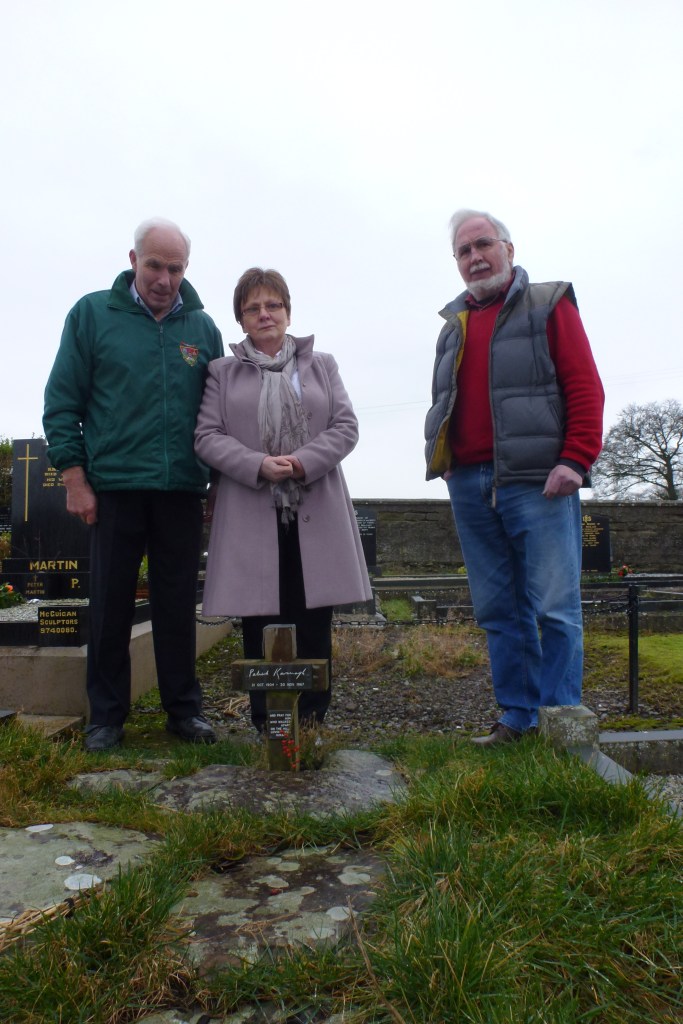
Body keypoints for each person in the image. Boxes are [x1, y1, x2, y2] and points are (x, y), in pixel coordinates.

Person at [43, 217, 224, 752]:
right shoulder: (92, 315)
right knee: (111, 605)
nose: (164, 279)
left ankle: (183, 712)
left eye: (175, 268)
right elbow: (62, 401)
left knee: (174, 604)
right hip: (115, 486)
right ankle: (106, 717)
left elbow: (219, 413)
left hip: (181, 490)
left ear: (185, 269)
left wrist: (217, 484)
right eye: (154, 265)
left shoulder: (202, 329)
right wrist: (74, 477)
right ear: (132, 259)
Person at [425, 209, 604, 746]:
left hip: (537, 481)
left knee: (554, 606)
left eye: (483, 244)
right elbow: (446, 400)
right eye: (464, 251)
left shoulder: (549, 303)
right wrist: (447, 456)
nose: (475, 257)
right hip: (470, 483)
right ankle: (518, 717)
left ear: (508, 247)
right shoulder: (451, 325)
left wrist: (575, 459)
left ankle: (560, 723)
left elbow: (584, 385)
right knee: (500, 609)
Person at [194, 267, 371, 733]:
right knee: (261, 616)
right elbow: (207, 436)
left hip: (314, 506)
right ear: (241, 319)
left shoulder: (322, 366)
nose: (264, 314)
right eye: (253, 308)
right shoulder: (222, 373)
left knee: (313, 615)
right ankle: (269, 721)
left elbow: (345, 427)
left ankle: (310, 720)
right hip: (254, 509)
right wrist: (256, 463)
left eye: (273, 304)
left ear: (288, 312)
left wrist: (300, 461)